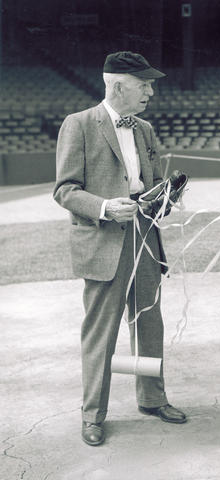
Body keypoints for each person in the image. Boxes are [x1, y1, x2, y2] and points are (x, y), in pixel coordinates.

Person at [54, 51, 187, 447]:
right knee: (102, 332)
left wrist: (166, 193)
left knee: (148, 321)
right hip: (103, 241)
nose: (151, 90)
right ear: (117, 87)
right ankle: (93, 414)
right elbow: (65, 190)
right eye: (144, 84)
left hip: (145, 238)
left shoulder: (144, 128)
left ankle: (152, 398)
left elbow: (149, 183)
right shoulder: (78, 125)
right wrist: (105, 207)